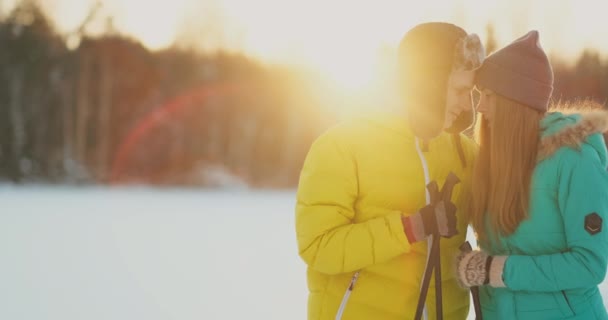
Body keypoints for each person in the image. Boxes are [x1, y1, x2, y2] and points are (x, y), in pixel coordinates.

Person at [295, 22, 485, 320]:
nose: (467, 103)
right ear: (430, 83)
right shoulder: (342, 146)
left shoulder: (464, 153)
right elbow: (318, 247)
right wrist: (411, 228)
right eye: (460, 90)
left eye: (471, 91)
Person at [456, 30, 608, 319]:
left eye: (488, 96)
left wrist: (496, 270)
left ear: (514, 101)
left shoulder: (574, 160)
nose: (481, 106)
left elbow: (589, 264)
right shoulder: (492, 161)